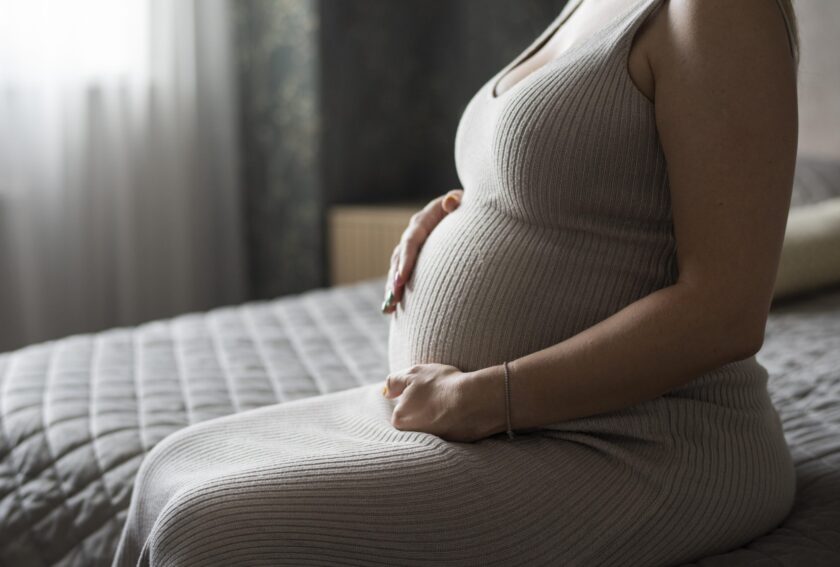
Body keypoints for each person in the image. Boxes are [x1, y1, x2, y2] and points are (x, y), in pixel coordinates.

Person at [113, 0, 800, 565]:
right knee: (166, 471)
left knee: (203, 533)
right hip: (506, 419)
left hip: (648, 439)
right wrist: (459, 208)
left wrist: (482, 397)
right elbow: (592, 180)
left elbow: (726, 308)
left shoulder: (720, 10)